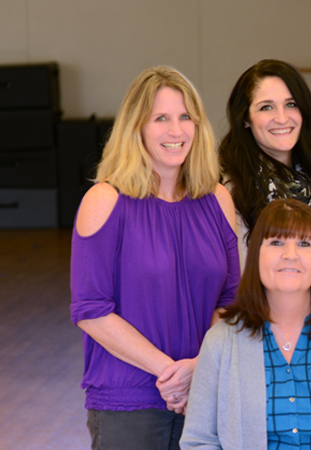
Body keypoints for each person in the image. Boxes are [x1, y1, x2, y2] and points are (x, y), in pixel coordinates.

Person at [70, 67, 240, 450]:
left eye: (185, 117)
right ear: (137, 127)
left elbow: (231, 299)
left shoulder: (217, 199)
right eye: (160, 118)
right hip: (128, 402)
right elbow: (91, 310)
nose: (175, 130)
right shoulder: (105, 201)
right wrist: (171, 373)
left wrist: (199, 368)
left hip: (205, 393)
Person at [181, 199, 311, 450]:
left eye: (304, 243)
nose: (290, 255)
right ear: (255, 254)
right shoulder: (220, 341)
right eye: (276, 242)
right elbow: (199, 440)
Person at [219, 59, 311, 272]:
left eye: (291, 104)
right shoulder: (230, 193)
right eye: (266, 107)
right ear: (246, 119)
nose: (282, 118)